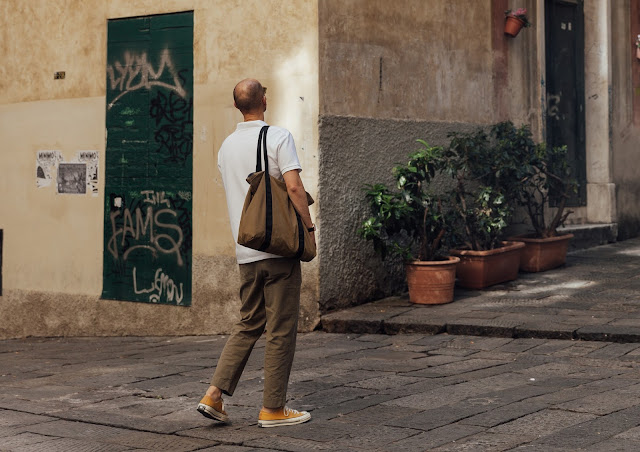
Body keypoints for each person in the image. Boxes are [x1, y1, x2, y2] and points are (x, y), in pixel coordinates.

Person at [197, 78, 314, 428]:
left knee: (248, 322)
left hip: (245, 250)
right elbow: (293, 186)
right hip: (278, 249)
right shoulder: (278, 137)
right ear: (264, 100)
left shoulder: (226, 147)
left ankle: (213, 396)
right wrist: (308, 228)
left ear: (237, 106)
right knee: (280, 328)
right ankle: (273, 409)